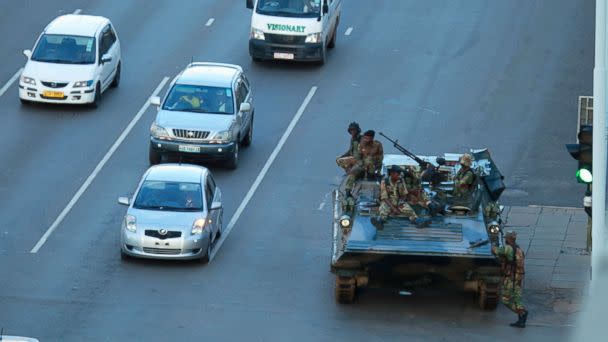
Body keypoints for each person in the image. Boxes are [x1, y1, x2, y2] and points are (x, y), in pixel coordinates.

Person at [492, 230, 528, 328]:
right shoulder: (518, 248)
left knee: (505, 299)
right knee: (517, 297)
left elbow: (497, 251)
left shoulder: (508, 248)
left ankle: (522, 312)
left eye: (506, 239)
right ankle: (521, 320)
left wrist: (493, 246)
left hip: (511, 277)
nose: (505, 240)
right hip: (519, 276)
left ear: (508, 239)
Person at [371, 165, 418, 230]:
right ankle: (380, 222)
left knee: (409, 209)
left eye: (399, 174)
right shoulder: (385, 181)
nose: (399, 175)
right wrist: (394, 209)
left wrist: (400, 204)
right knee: (383, 209)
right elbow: (384, 197)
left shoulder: (401, 180)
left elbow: (404, 194)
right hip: (388, 201)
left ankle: (416, 221)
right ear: (392, 174)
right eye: (397, 174)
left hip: (398, 200)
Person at [344, 130, 384, 194]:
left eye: (367, 138)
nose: (365, 139)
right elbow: (358, 157)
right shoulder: (361, 144)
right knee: (353, 174)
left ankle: (371, 176)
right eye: (365, 138)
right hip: (363, 165)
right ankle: (348, 191)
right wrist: (360, 165)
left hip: (374, 165)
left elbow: (381, 158)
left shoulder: (377, 145)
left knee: (369, 160)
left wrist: (373, 161)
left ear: (372, 138)